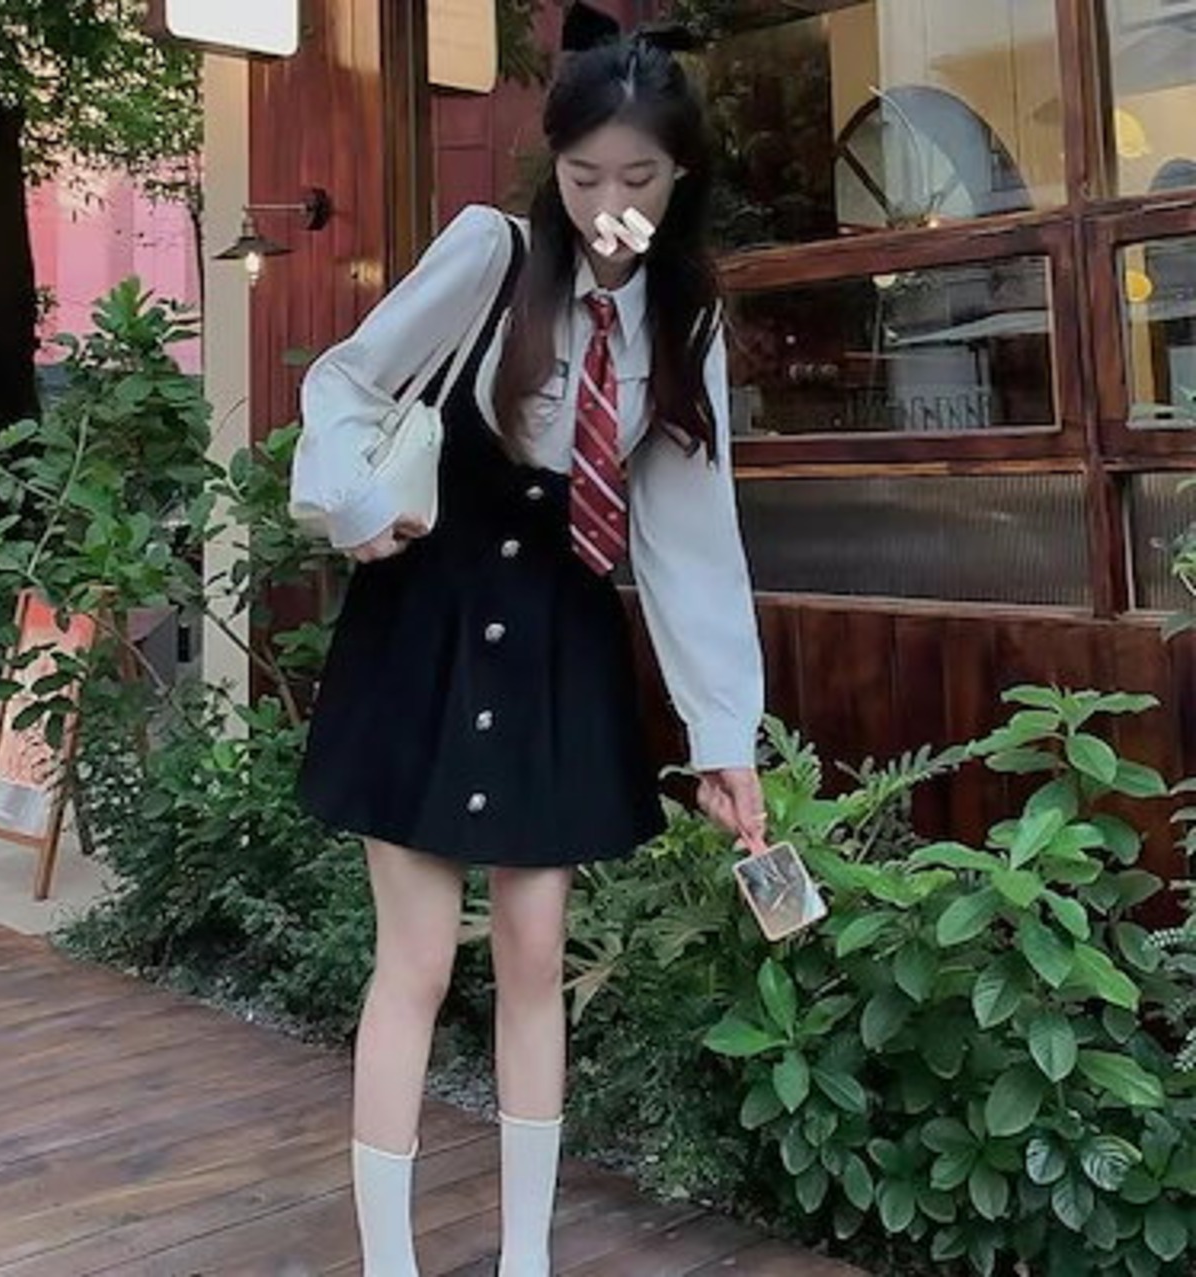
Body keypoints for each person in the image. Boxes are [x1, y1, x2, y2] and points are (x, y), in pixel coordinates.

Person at [288, 5, 767, 1273]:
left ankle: (523, 1257)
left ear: (681, 176)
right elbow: (345, 380)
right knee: (413, 957)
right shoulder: (489, 254)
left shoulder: (685, 323)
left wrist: (723, 734)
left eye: (638, 178)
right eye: (583, 175)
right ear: (552, 166)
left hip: (558, 635)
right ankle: (389, 1262)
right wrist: (354, 505)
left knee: (536, 951)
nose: (608, 204)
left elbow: (688, 537)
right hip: (429, 622)